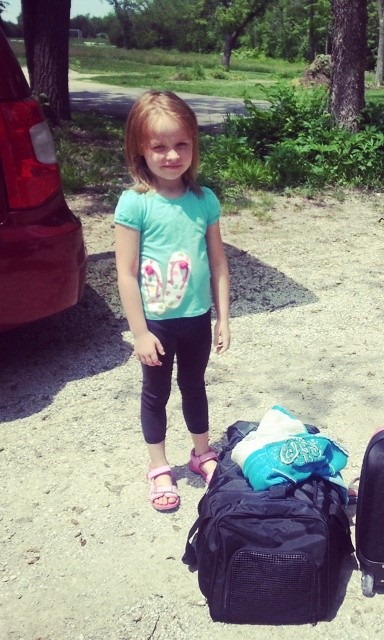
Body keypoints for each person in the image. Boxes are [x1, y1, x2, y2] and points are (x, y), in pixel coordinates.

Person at [114, 90, 231, 511]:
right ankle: (159, 466)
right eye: (159, 146)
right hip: (157, 324)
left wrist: (223, 318)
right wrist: (139, 333)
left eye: (181, 144)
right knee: (156, 393)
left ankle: (201, 453)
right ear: (139, 150)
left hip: (196, 318)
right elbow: (126, 273)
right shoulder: (135, 203)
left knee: (194, 386)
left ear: (194, 145)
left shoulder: (204, 200)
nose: (171, 155)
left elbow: (218, 263)